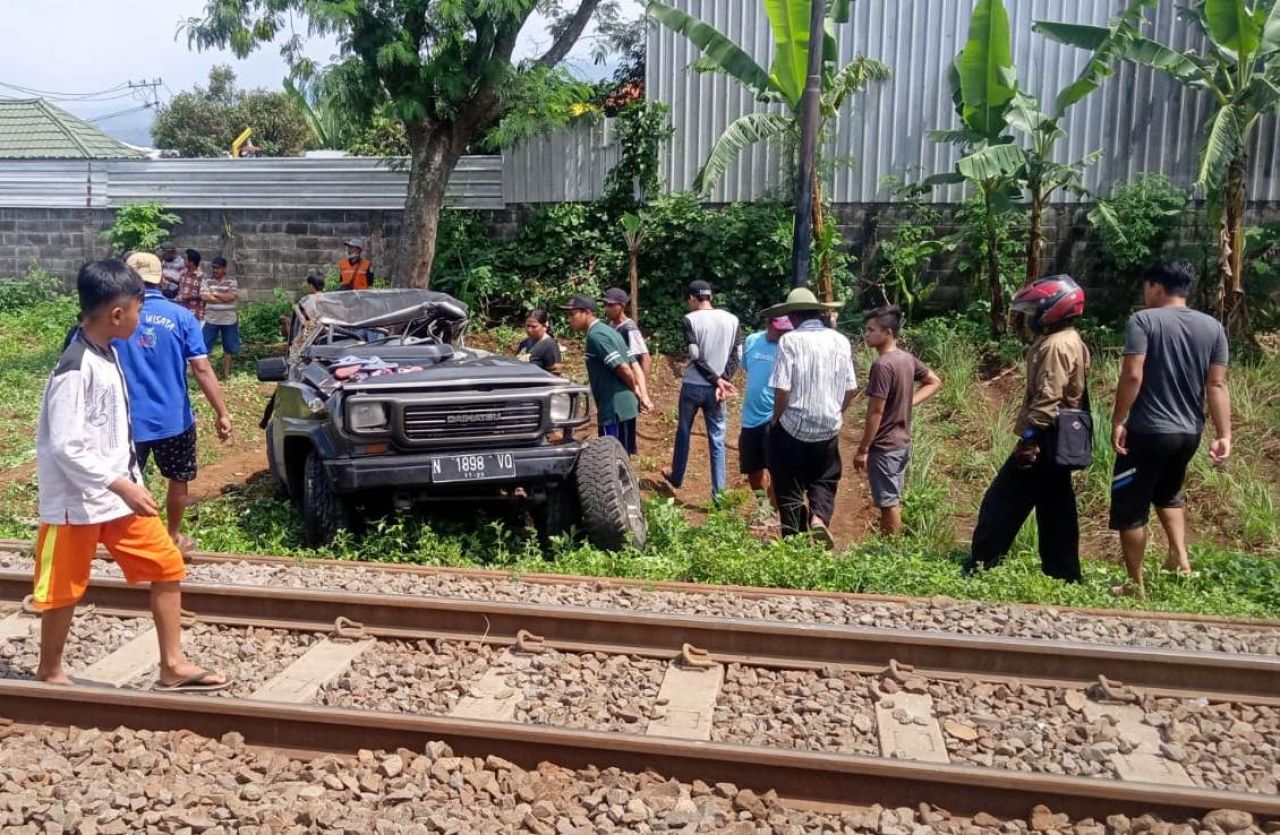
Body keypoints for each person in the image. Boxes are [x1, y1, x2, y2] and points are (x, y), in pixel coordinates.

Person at [32, 258, 229, 691]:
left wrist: (127, 481)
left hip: (117, 495)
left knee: (166, 563)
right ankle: (50, 670)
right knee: (64, 589)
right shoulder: (74, 367)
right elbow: (65, 445)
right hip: (75, 502)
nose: (142, 319)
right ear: (118, 314)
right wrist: (121, 482)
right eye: (139, 310)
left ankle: (172, 665)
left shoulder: (109, 354)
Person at [1109, 260, 1231, 597]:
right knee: (1167, 493)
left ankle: (1135, 585)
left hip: (1148, 431)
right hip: (1189, 433)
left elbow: (1133, 374)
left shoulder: (1143, 320)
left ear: (1156, 287)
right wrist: (1224, 435)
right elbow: (1217, 385)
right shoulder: (1213, 327)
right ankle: (1180, 558)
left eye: (1145, 288)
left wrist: (1119, 419)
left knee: (1131, 507)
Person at [963, 275, 1089, 583]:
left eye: (1035, 310)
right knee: (1056, 508)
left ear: (1054, 308)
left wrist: (1030, 438)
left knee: (1001, 501)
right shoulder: (1071, 339)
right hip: (1059, 435)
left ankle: (982, 564)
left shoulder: (1056, 346)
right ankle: (1064, 574)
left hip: (1046, 434)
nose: (1031, 316)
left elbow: (1049, 395)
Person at [116, 253, 233, 553]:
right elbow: (202, 369)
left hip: (127, 422)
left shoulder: (115, 316)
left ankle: (130, 540)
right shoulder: (181, 316)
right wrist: (222, 412)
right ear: (161, 279)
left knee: (128, 480)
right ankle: (172, 537)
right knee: (178, 479)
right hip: (174, 420)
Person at [762, 288, 856, 544]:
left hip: (794, 427)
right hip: (828, 427)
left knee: (787, 481)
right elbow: (851, 388)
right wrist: (837, 413)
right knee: (825, 476)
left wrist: (776, 420)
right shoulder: (840, 340)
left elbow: (783, 388)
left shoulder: (790, 341)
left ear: (793, 317)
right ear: (818, 312)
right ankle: (818, 519)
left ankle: (794, 540)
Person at [853, 306, 942, 536]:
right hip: (901, 443)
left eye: (872, 330)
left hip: (885, 445)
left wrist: (863, 449)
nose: (867, 334)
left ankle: (891, 552)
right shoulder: (906, 359)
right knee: (891, 499)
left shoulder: (883, 365)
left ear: (888, 332)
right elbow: (934, 381)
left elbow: (876, 411)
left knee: (887, 503)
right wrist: (907, 402)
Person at [662, 280, 742, 500]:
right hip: (716, 391)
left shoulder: (690, 320)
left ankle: (677, 476)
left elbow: (695, 356)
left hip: (693, 387)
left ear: (692, 298)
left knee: (684, 431)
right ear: (710, 297)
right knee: (717, 438)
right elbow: (737, 354)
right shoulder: (732, 320)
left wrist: (716, 379)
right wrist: (723, 380)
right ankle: (719, 495)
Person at [561, 294, 653, 454]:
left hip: (613, 408)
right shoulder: (611, 331)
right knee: (622, 455)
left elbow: (624, 368)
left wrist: (636, 390)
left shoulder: (596, 336)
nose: (570, 319)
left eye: (572, 314)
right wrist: (642, 394)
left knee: (609, 456)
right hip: (626, 407)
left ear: (587, 313)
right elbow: (635, 364)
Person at [738, 315, 793, 519]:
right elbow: (747, 368)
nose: (783, 333)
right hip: (751, 417)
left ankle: (774, 511)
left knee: (777, 469)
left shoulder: (790, 345)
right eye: (779, 329)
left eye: (786, 330)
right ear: (769, 324)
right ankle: (763, 506)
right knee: (753, 468)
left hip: (777, 417)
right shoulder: (752, 341)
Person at [602, 288, 654, 408]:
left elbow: (645, 357)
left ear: (622, 306)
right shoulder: (610, 325)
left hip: (627, 383)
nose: (606, 308)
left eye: (610, 305)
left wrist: (641, 389)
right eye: (605, 304)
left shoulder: (629, 328)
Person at [200, 257, 241, 379]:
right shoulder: (206, 280)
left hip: (229, 319)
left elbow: (231, 297)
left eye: (217, 268)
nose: (215, 270)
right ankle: (207, 374)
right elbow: (205, 297)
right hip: (211, 319)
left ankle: (226, 374)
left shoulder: (232, 281)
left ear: (224, 268)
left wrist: (215, 293)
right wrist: (223, 297)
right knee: (204, 347)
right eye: (213, 267)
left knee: (229, 348)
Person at [516, 309, 563, 374]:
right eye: (527, 326)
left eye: (534, 327)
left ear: (545, 326)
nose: (529, 330)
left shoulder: (550, 346)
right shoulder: (524, 343)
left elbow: (554, 375)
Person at [175, 248, 205, 321]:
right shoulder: (183, 274)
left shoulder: (201, 276)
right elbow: (180, 290)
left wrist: (188, 297)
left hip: (195, 312)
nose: (183, 261)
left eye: (185, 259)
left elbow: (203, 295)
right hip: (182, 310)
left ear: (191, 262)